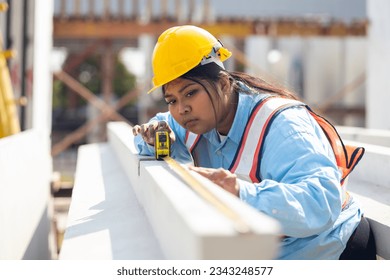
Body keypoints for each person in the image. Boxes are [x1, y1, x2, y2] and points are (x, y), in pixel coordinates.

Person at [132, 25, 376, 260]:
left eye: (190, 93)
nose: (181, 109)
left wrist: (241, 193)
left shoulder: (282, 124)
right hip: (273, 250)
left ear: (224, 84)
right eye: (171, 100)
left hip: (331, 250)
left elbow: (321, 202)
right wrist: (152, 139)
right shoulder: (192, 120)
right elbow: (159, 127)